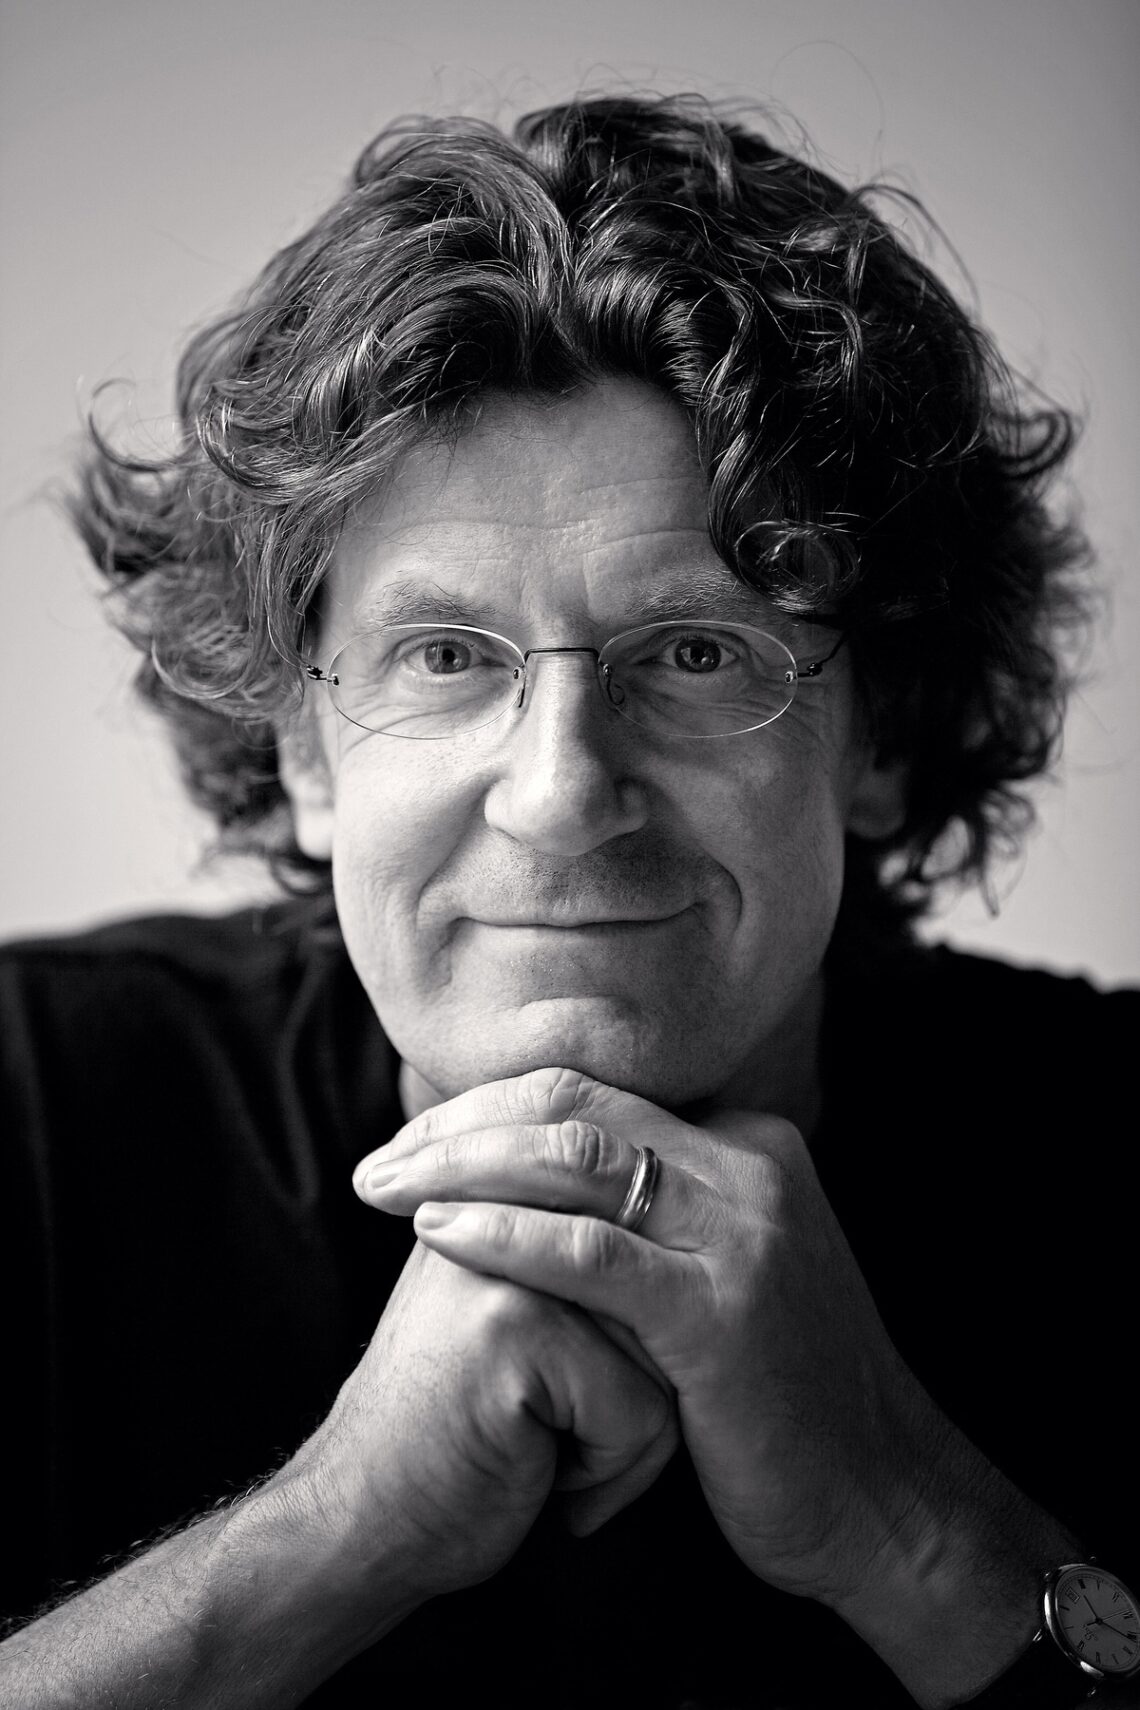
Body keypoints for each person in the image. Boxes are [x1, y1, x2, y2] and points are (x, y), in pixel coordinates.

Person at [1, 92, 1136, 1710]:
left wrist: (908, 1521)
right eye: (445, 655)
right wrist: (331, 1534)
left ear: (882, 733)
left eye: (696, 651)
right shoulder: (36, 1113)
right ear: (303, 746)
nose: (557, 791)